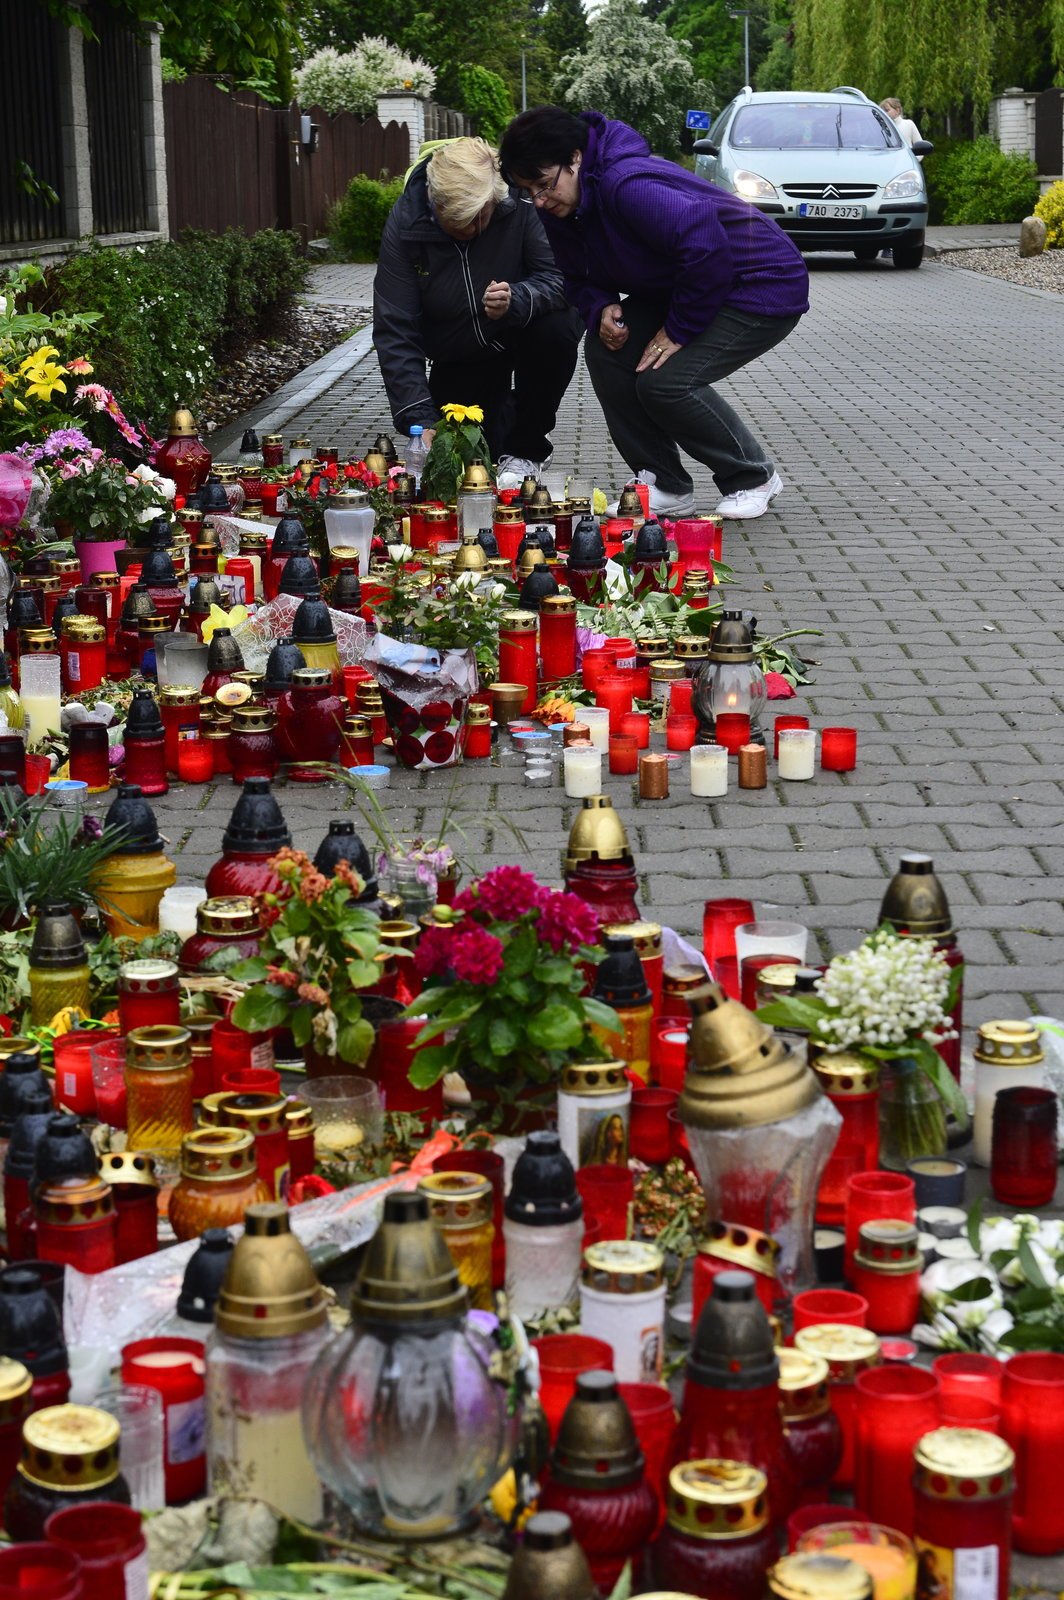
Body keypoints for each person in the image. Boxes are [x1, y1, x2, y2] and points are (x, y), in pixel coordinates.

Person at [499, 107, 809, 520]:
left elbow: (705, 247)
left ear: (575, 158)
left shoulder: (626, 183)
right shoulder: (560, 203)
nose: (539, 200)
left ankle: (752, 477)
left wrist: (678, 330)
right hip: (691, 283)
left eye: (543, 185)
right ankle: (665, 485)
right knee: (607, 349)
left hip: (760, 282)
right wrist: (602, 304)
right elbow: (573, 272)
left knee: (666, 383)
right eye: (528, 191)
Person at [373, 136, 582, 479]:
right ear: (434, 203)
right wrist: (420, 421)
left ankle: (528, 448)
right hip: (460, 350)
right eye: (458, 221)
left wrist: (518, 297)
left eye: (479, 218)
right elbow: (395, 327)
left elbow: (560, 278)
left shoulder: (520, 197)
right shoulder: (405, 225)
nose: (470, 230)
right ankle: (504, 425)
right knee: (470, 460)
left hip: (521, 331)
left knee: (558, 327)